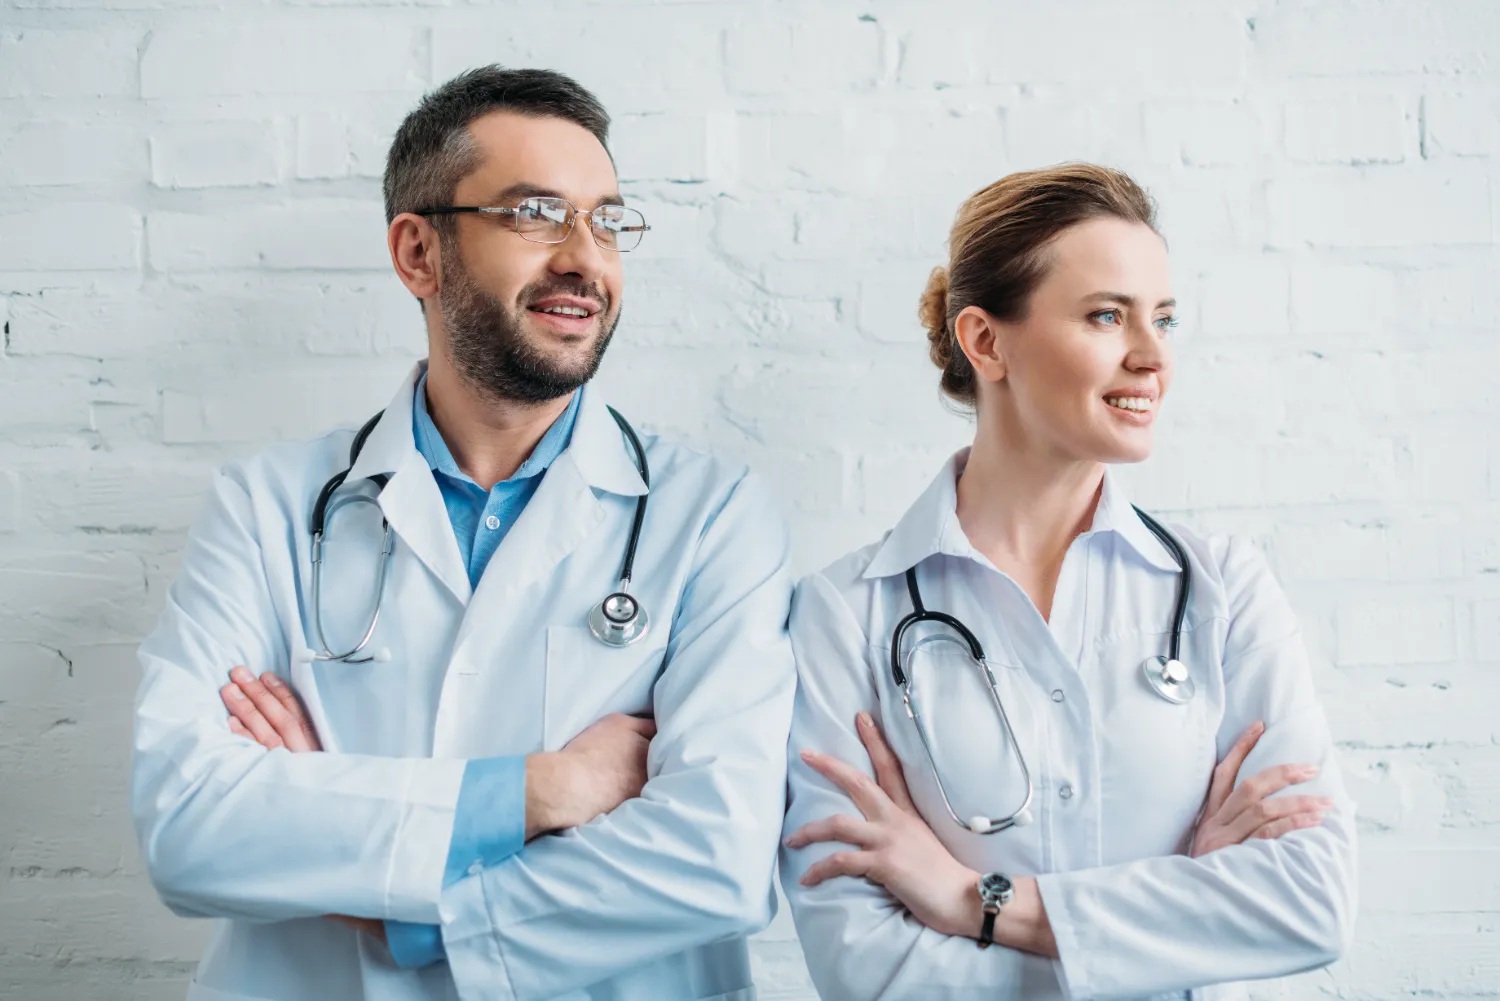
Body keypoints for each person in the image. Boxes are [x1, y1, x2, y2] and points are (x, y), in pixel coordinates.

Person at [131, 66, 796, 1001]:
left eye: (606, 220)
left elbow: (716, 858)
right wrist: (543, 791)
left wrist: (384, 898)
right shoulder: (267, 508)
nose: (583, 257)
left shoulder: (710, 514)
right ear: (417, 253)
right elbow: (189, 825)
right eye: (535, 213)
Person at [778, 164, 1357, 1000]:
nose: (1153, 355)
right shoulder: (846, 614)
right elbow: (867, 968)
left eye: (1163, 317)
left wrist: (972, 901)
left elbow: (1310, 902)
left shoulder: (1222, 587)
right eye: (1106, 315)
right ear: (986, 342)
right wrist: (1180, 911)